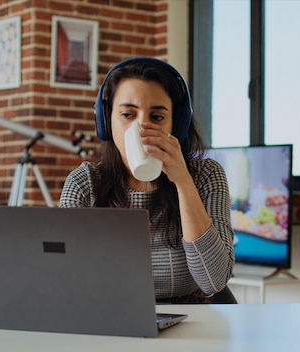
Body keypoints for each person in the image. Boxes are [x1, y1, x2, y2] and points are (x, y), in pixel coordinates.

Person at [58, 57, 234, 303]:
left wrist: (183, 181)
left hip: (189, 320)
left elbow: (213, 281)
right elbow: (63, 276)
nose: (142, 128)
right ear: (107, 121)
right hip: (109, 318)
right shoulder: (85, 182)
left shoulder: (205, 176)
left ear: (177, 124)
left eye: (157, 117)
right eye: (128, 114)